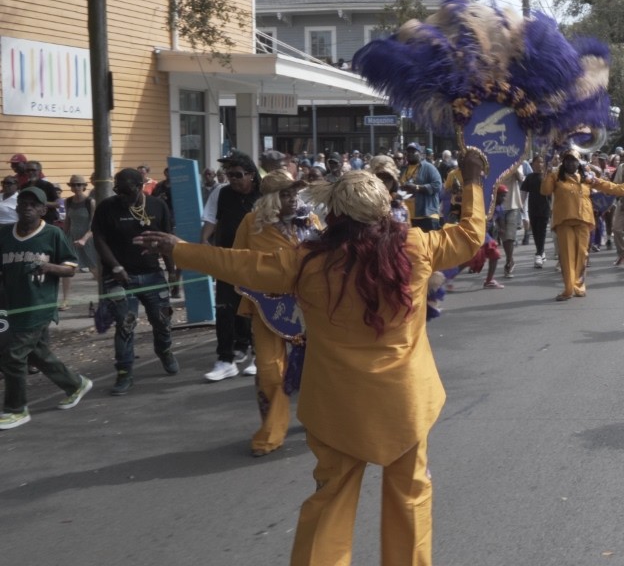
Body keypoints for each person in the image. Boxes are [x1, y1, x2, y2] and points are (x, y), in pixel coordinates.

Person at [138, 152, 487, 565]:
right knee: (410, 496)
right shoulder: (416, 247)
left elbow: (241, 264)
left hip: (336, 406)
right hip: (405, 403)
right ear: (384, 211)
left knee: (330, 500)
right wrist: (472, 181)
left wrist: (182, 251)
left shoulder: (307, 260)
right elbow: (470, 235)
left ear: (334, 214)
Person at [231, 170, 320, 457]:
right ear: (270, 199)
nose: (293, 199)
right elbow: (236, 263)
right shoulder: (251, 223)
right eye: (285, 194)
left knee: (316, 369)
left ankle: (318, 420)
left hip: (310, 308)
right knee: (269, 371)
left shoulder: (310, 220)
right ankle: (270, 433)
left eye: (294, 193)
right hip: (267, 308)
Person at [0, 187, 94, 430]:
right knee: (36, 353)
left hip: (39, 305)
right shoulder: (5, 234)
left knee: (13, 355)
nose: (27, 207)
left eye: (34, 204)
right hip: (13, 306)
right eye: (23, 203)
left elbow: (70, 268)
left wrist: (50, 267)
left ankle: (16, 409)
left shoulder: (52, 234)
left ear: (43, 209)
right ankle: (75, 384)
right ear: (16, 207)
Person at [91, 168, 179, 395]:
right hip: (120, 277)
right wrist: (115, 266)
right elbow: (99, 240)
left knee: (162, 320)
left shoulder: (158, 206)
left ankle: (164, 350)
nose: (120, 195)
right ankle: (124, 372)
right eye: (117, 190)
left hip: (152, 274)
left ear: (140, 187)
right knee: (125, 324)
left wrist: (172, 273)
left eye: (126, 191)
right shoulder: (106, 207)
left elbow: (168, 240)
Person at [541, 149, 624, 301]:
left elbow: (608, 186)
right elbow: (545, 191)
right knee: (567, 256)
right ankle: (568, 289)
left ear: (579, 163)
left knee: (582, 254)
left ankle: (579, 286)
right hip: (564, 221)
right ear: (564, 162)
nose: (571, 163)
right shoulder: (556, 176)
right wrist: (548, 172)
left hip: (583, 220)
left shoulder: (586, 177)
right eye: (568, 160)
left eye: (574, 160)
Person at [202, 152, 262, 382]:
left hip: (257, 261)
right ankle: (225, 360)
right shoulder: (221, 192)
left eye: (238, 175)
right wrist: (204, 241)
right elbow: (211, 219)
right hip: (228, 260)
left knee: (257, 308)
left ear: (251, 175)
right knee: (225, 309)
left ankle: (258, 355)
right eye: (229, 175)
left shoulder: (265, 194)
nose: (233, 179)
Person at [401, 142, 444, 232]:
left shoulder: (429, 167)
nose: (410, 154)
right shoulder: (404, 169)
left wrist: (416, 187)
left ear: (421, 154)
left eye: (413, 151)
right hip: (409, 217)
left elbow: (437, 186)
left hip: (426, 216)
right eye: (408, 152)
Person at [64, 174, 99, 284]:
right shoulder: (68, 201)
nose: (76, 187)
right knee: (68, 265)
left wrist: (84, 239)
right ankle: (65, 294)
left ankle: (103, 289)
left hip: (88, 238)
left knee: (93, 266)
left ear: (84, 186)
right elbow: (67, 220)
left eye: (79, 185)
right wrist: (63, 237)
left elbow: (94, 224)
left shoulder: (90, 202)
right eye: (73, 185)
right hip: (72, 238)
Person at [520, 155, 551, 268]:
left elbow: (552, 193)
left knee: (542, 231)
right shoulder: (530, 177)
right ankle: (541, 251)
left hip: (545, 207)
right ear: (532, 164)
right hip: (532, 207)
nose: (539, 164)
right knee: (535, 232)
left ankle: (538, 254)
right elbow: (524, 192)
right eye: (537, 162)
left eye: (541, 162)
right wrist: (521, 204)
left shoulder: (547, 177)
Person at [494, 163, 524, 278]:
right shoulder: (494, 162)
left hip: (513, 204)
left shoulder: (516, 163)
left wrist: (513, 167)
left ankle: (508, 262)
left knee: (510, 235)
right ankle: (510, 259)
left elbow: (520, 178)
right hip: (498, 205)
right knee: (504, 236)